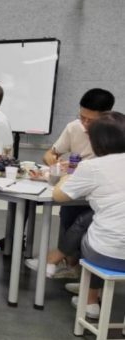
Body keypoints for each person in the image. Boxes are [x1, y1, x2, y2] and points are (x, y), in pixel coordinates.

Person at [36, 112, 125, 320]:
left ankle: (90, 300)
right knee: (93, 218)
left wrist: (67, 175)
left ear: (97, 141)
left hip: (106, 254)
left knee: (97, 232)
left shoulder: (92, 167)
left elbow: (59, 195)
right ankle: (74, 276)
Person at [43, 88, 116, 232]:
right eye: (82, 118)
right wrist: (53, 161)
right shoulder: (74, 127)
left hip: (102, 195)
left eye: (91, 121)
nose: (86, 124)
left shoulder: (116, 133)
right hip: (75, 191)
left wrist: (76, 167)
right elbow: (50, 154)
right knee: (68, 222)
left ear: (106, 116)